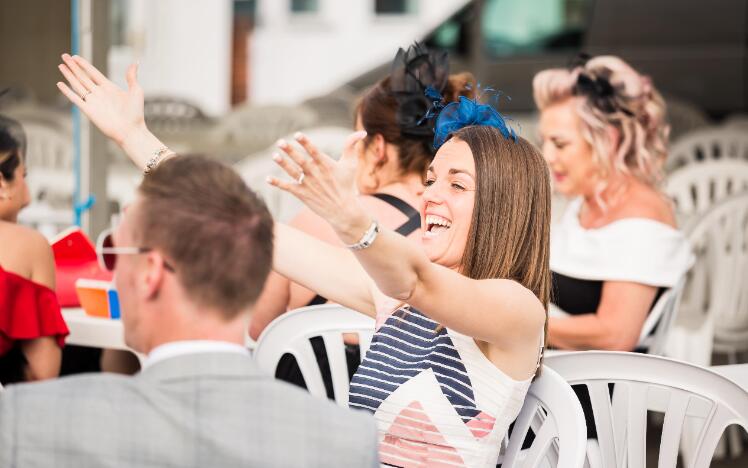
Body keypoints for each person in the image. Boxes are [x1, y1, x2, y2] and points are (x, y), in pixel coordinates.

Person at [55, 54, 549, 467]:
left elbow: (416, 281)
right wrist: (136, 139)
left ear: (502, 207)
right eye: (433, 178)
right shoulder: (395, 299)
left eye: (456, 184)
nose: (431, 195)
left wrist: (350, 219)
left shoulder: (516, 309)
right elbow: (244, 223)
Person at [0, 133, 379, 465]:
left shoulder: (28, 420)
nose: (112, 273)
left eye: (117, 252)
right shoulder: (347, 441)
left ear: (149, 272)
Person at [249, 43, 475, 340]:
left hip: (308, 384)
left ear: (377, 148)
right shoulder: (456, 231)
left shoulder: (314, 221)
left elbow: (259, 328)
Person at [533, 55, 693, 352]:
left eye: (560, 143)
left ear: (608, 140)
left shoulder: (643, 220)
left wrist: (516, 324)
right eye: (544, 142)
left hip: (597, 389)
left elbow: (615, 335)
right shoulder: (585, 203)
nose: (547, 156)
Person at [0, 114, 68, 385]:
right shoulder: (27, 244)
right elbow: (42, 374)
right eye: (23, 177)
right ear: (2, 182)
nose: (27, 197)